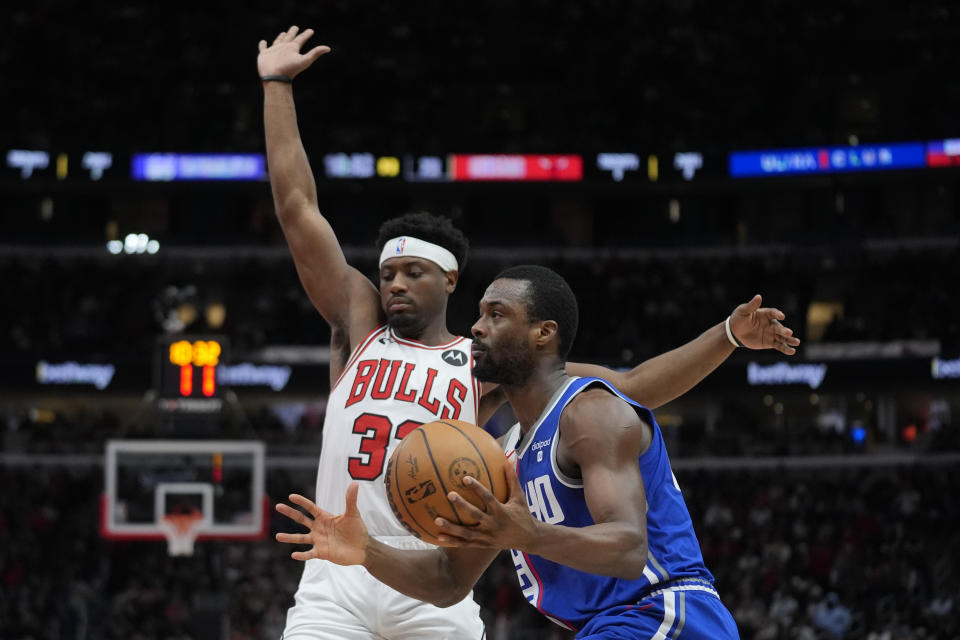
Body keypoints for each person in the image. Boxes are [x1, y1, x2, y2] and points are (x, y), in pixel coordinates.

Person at [258, 26, 796, 640]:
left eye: (413, 271)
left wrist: (726, 333)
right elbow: (298, 208)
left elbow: (636, 385)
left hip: (430, 562)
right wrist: (276, 85)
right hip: (342, 564)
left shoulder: (487, 368)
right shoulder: (360, 332)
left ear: (451, 281)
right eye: (386, 273)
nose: (395, 284)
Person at [276, 265, 741, 638]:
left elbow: (628, 549)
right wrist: (366, 552)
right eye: (479, 314)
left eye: (496, 314)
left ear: (543, 334)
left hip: (666, 615)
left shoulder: (592, 414)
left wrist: (530, 534)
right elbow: (447, 581)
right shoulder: (503, 456)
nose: (476, 327)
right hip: (606, 627)